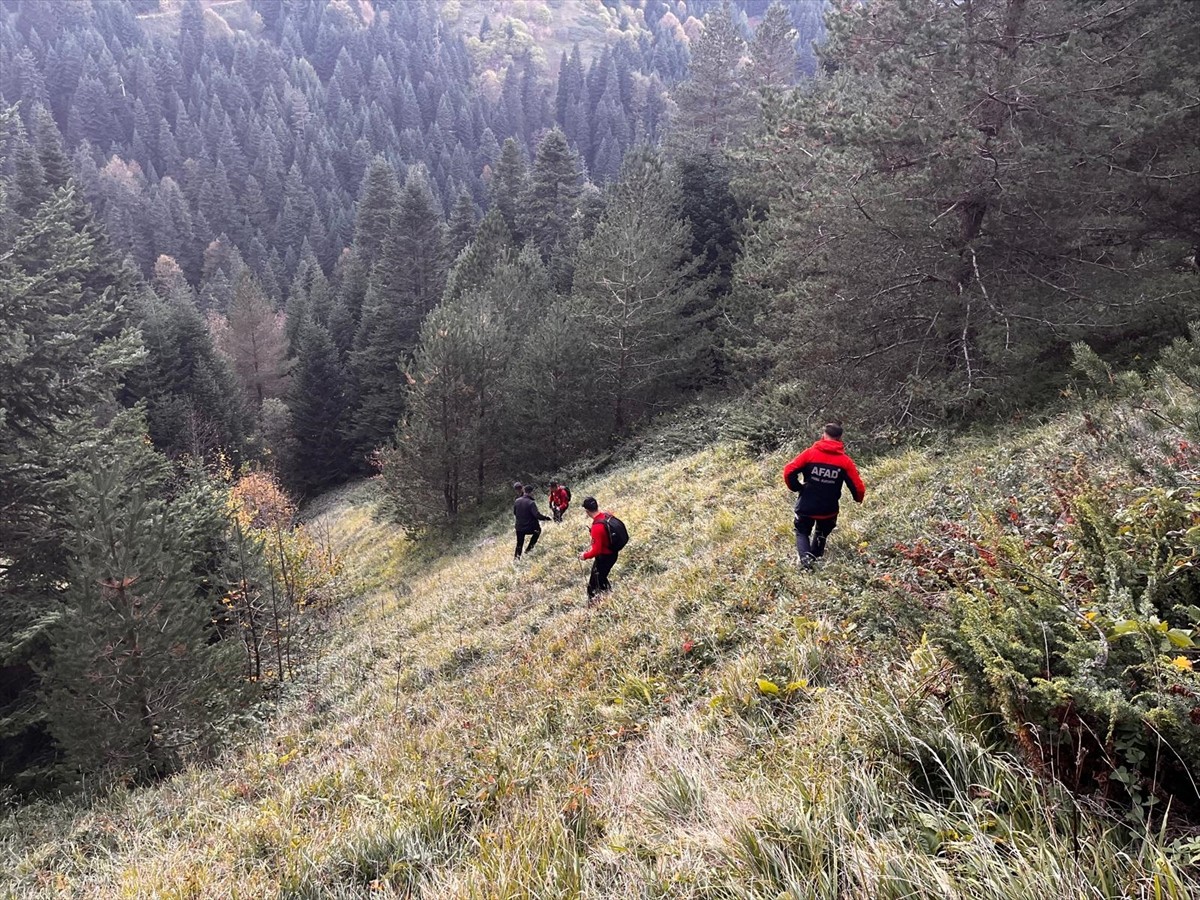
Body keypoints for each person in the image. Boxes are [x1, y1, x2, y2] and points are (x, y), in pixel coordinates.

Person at [782, 423, 865, 569]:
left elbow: (789, 471)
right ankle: (815, 561)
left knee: (802, 532)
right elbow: (858, 487)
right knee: (822, 533)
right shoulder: (845, 461)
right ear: (840, 438)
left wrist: (797, 487)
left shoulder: (810, 454)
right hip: (829, 508)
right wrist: (858, 498)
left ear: (824, 435)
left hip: (806, 505)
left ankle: (807, 565)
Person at [578, 496, 618, 602]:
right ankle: (610, 596)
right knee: (601, 578)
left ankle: (595, 604)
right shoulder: (606, 515)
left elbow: (597, 550)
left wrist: (584, 556)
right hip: (613, 553)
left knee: (592, 587)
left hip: (605, 557)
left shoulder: (597, 526)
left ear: (587, 511)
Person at [513, 483, 550, 559]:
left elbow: (515, 513)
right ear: (531, 492)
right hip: (529, 527)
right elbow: (537, 515)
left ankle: (516, 558)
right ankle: (529, 550)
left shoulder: (517, 501)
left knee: (519, 543)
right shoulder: (531, 503)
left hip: (519, 527)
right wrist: (546, 518)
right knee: (538, 531)